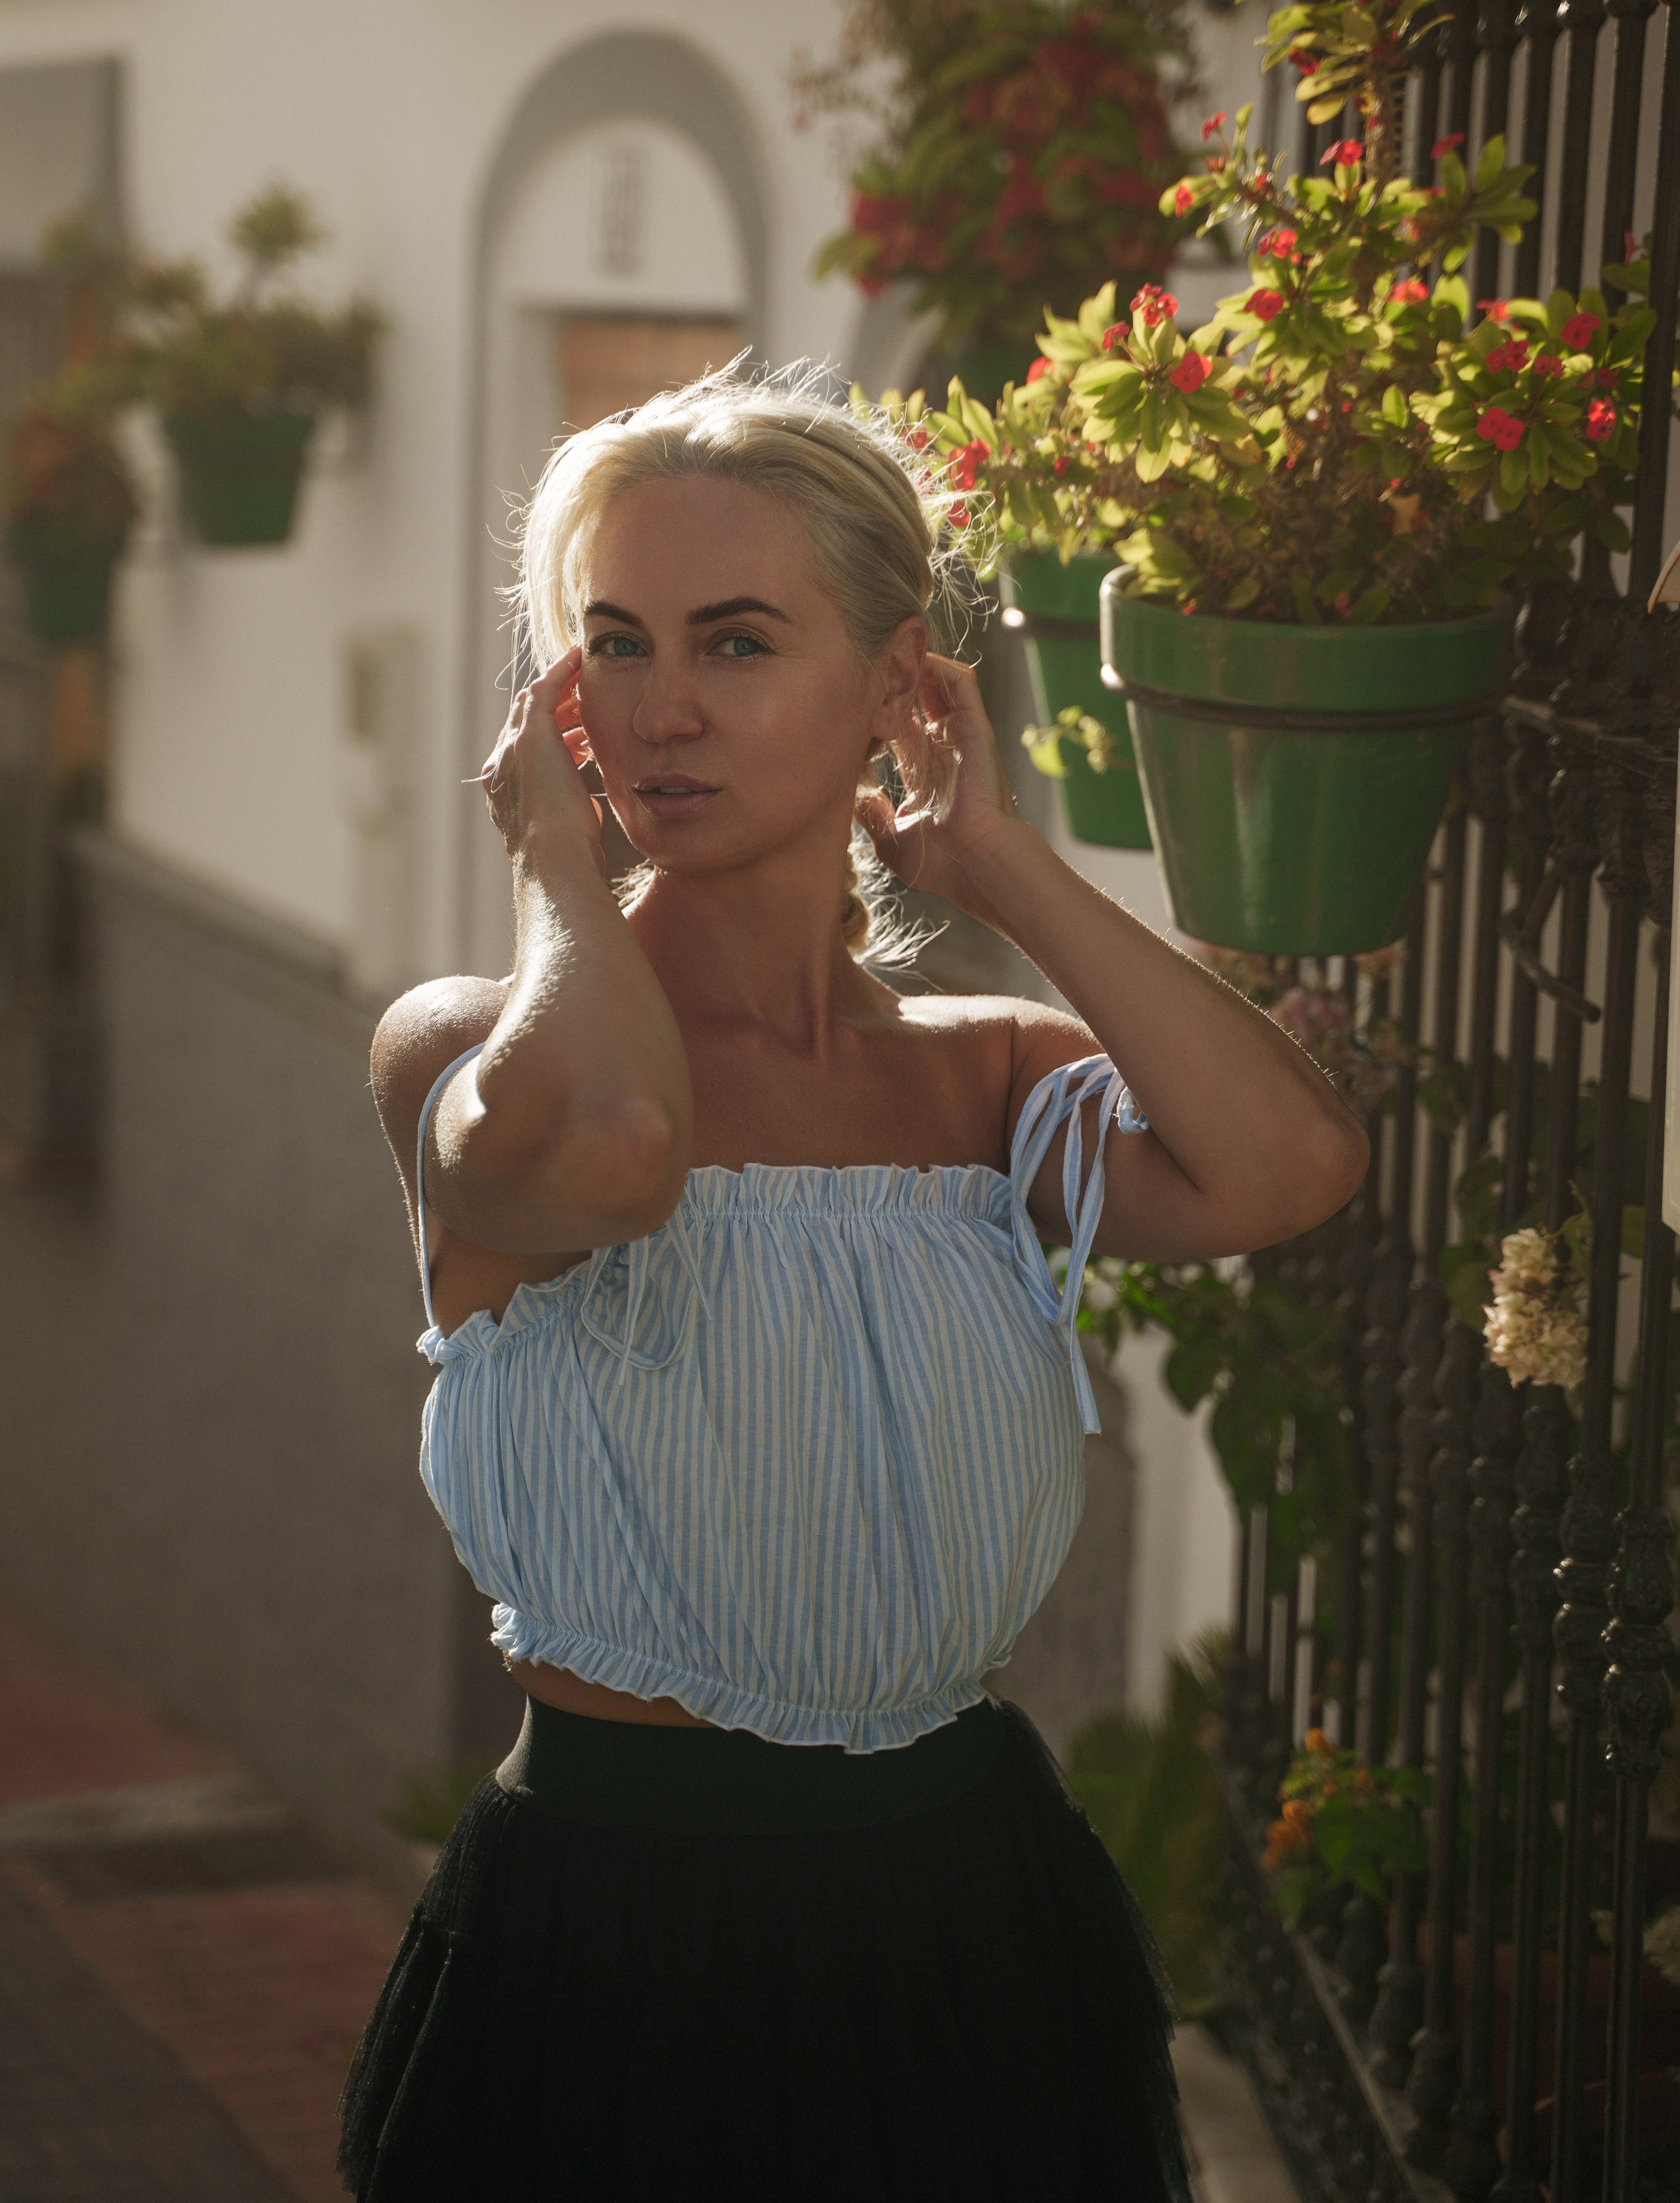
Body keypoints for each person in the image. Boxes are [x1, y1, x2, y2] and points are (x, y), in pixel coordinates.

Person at [340, 366, 1367, 2202]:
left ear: (900, 685)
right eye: (617, 645)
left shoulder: (988, 1078)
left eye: (737, 643)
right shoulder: (466, 1050)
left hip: (972, 1924)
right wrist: (561, 881)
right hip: (605, 1952)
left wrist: (1001, 865)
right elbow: (616, 1158)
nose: (662, 708)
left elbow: (1291, 1171)